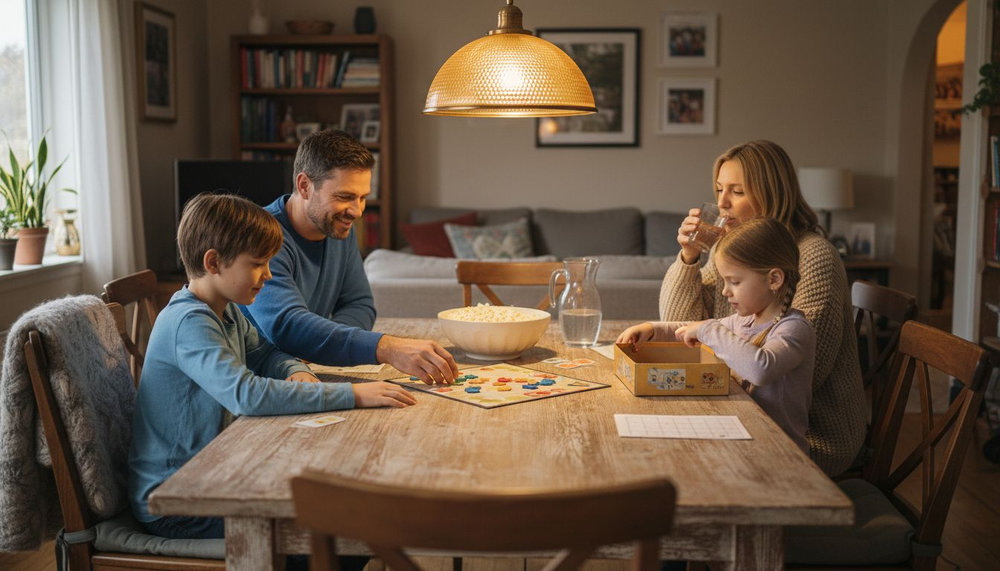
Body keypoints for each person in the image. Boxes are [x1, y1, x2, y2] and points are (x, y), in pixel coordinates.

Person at [129, 193, 417, 541]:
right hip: (175, 498)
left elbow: (267, 354)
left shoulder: (227, 309)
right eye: (257, 263)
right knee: (339, 531)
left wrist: (298, 372)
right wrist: (351, 394)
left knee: (341, 507)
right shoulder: (189, 322)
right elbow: (246, 396)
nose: (267, 275)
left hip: (218, 469)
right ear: (213, 262)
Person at [659, 140, 866, 476]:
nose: (722, 204)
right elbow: (682, 329)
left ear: (773, 193)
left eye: (737, 191)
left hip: (805, 437)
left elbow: (800, 377)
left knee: (677, 462)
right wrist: (691, 256)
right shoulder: (739, 253)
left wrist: (715, 352)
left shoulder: (814, 255)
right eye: (718, 189)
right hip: (746, 414)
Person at [242, 130, 459, 385]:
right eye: (344, 197)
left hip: (301, 375)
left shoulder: (337, 227)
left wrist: (316, 343)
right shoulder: (259, 236)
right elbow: (287, 326)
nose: (357, 211)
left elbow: (360, 304)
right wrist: (385, 347)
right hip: (258, 384)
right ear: (304, 186)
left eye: (363, 198)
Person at [621, 218, 814, 454]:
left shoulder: (794, 329)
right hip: (742, 438)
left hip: (781, 452)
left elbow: (761, 368)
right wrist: (651, 329)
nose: (725, 291)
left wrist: (708, 330)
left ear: (774, 279)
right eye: (725, 281)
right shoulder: (742, 321)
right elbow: (693, 327)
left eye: (735, 281)